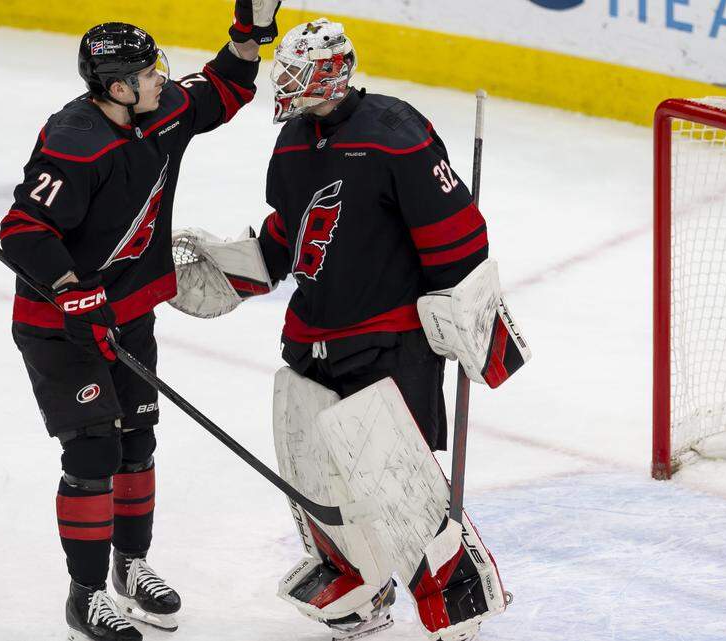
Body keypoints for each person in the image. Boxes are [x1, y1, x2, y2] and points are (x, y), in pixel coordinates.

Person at [168, 19, 530, 641]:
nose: (284, 84)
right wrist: (235, 271)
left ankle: (457, 603)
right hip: (310, 337)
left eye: (296, 73)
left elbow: (458, 238)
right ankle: (357, 589)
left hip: (389, 341)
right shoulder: (291, 143)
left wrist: (470, 317)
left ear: (331, 76)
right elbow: (291, 232)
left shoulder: (396, 132)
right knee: (315, 477)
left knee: (398, 484)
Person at [0, 4, 279, 640]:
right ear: (117, 89)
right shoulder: (74, 142)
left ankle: (132, 566)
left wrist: (248, 35)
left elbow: (224, 89)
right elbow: (23, 228)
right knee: (94, 449)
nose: (163, 78)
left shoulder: (160, 115)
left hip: (129, 314)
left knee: (136, 443)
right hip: (59, 327)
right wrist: (71, 292)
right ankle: (86, 596)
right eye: (150, 72)